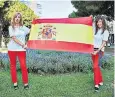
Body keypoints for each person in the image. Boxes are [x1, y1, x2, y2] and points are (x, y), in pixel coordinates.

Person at [7, 12, 30, 90]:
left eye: (19, 17)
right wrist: (23, 44)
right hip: (12, 49)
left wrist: (27, 43)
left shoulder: (23, 27)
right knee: (13, 66)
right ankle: (15, 83)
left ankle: (26, 83)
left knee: (23, 66)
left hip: (21, 50)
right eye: (16, 17)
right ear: (14, 18)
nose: (17, 18)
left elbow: (32, 32)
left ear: (20, 19)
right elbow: (14, 38)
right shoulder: (11, 27)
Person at [91, 15, 109, 92]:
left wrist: (97, 51)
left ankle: (96, 83)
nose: (99, 23)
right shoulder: (95, 29)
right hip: (92, 50)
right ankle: (100, 80)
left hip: (99, 51)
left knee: (95, 66)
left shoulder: (105, 31)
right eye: (98, 21)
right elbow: (90, 25)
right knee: (97, 66)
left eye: (100, 21)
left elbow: (103, 43)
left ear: (103, 22)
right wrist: (91, 18)